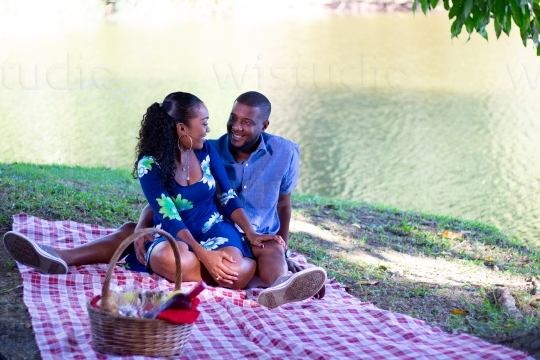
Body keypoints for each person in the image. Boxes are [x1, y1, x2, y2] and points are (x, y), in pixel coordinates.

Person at [3, 91, 326, 308]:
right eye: (205, 123)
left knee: (238, 269)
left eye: (210, 122)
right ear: (181, 128)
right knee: (173, 257)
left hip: (216, 228)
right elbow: (168, 214)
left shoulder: (208, 149)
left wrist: (253, 236)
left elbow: (226, 196)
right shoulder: (151, 165)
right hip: (176, 232)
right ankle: (59, 256)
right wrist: (203, 255)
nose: (214, 128)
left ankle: (275, 280)